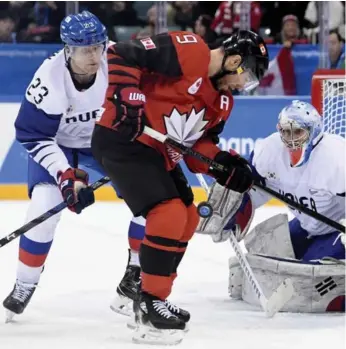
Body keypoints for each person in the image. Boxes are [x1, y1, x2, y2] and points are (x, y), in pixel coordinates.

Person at [91, 29, 269, 344]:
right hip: (122, 139)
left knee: (187, 216)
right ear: (235, 60)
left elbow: (197, 151)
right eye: (248, 76)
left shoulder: (223, 102)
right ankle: (150, 302)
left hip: (157, 154)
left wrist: (226, 167)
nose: (244, 85)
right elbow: (122, 53)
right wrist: (126, 96)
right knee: (169, 212)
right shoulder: (191, 51)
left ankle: (150, 296)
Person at [2, 11, 146, 322]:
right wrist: (65, 176)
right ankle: (24, 284)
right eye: (85, 49)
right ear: (68, 49)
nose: (94, 55)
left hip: (105, 140)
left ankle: (136, 272)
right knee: (42, 209)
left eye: (98, 46)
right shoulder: (49, 79)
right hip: (59, 145)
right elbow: (33, 135)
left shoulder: (117, 60)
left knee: (149, 200)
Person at [204, 100, 345, 313]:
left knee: (310, 276)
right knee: (264, 254)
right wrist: (232, 215)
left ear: (314, 131)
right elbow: (250, 191)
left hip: (338, 229)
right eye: (285, 132)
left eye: (297, 132)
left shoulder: (335, 157)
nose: (290, 139)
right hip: (308, 225)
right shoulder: (269, 150)